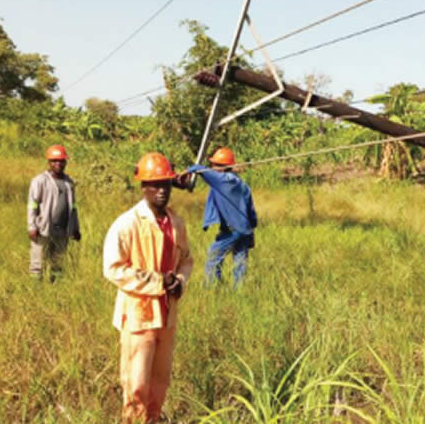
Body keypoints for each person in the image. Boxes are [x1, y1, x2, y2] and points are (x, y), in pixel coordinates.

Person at [103, 152, 193, 423]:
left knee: (160, 380)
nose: (161, 191)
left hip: (167, 315)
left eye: (165, 184)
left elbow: (186, 259)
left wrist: (180, 281)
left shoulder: (176, 223)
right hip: (138, 316)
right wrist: (157, 281)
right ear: (144, 187)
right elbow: (113, 268)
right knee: (136, 382)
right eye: (154, 184)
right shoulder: (127, 223)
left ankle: (152, 419)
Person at [185, 147, 257, 288]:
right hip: (245, 230)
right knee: (240, 262)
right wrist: (252, 230)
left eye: (216, 165)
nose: (213, 167)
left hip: (233, 230)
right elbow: (251, 212)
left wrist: (192, 168)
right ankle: (239, 292)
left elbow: (201, 170)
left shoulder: (224, 180)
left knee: (213, 256)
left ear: (224, 168)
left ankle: (210, 288)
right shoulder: (242, 184)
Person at [27, 144, 81, 280]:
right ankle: (35, 291)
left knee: (58, 262)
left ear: (65, 162)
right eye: (54, 161)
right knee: (37, 263)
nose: (58, 164)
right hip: (43, 228)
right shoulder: (40, 181)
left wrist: (75, 228)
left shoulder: (69, 182)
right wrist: (32, 226)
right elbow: (32, 205)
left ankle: (56, 289)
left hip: (63, 229)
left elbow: (73, 207)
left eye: (61, 161)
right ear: (49, 162)